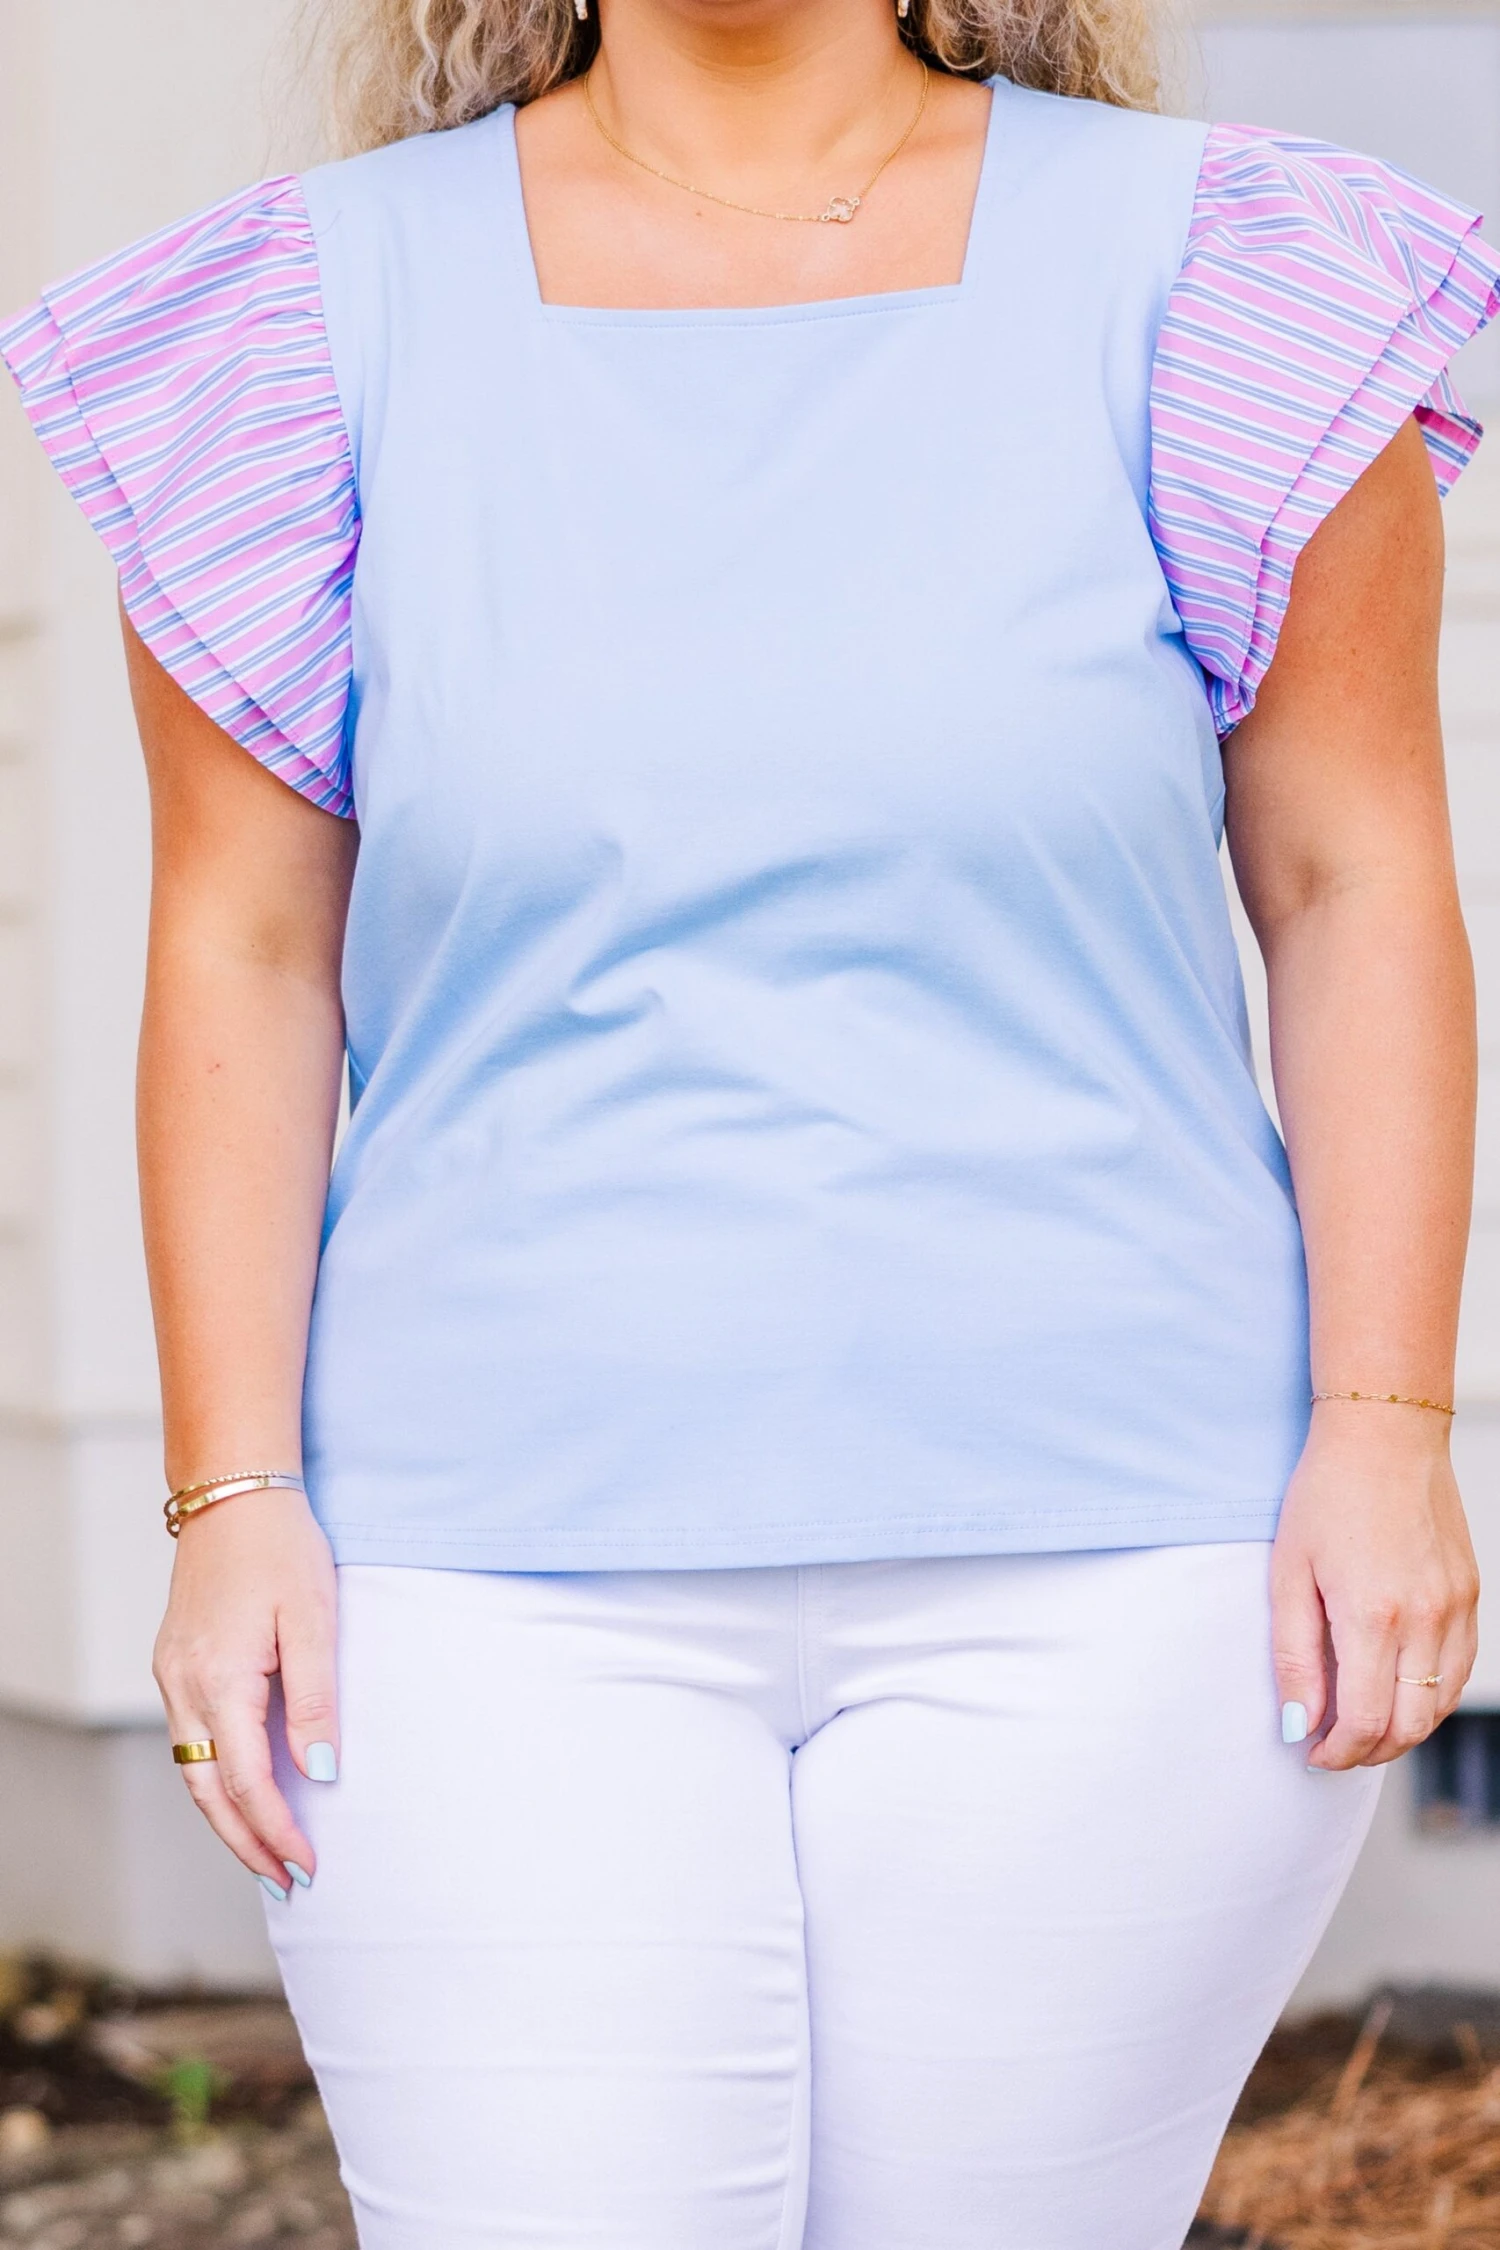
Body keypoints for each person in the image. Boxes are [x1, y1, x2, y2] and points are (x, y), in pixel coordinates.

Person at [3, 0, 1491, 2241]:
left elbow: (1354, 880)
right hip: (470, 1584)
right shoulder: (297, 327)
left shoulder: (1219, 282)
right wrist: (230, 1496)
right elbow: (242, 950)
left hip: (1127, 1573)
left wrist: (1385, 1427)